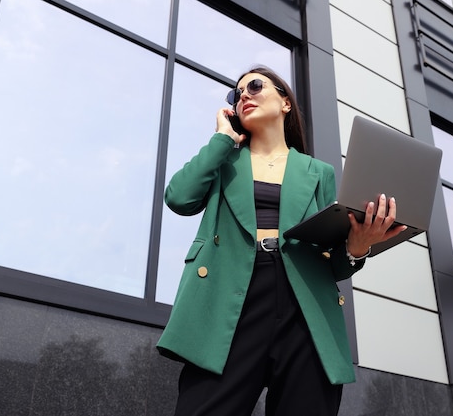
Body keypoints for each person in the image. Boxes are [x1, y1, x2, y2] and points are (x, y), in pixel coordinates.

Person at [156, 65, 407, 416]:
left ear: (285, 102)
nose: (244, 95)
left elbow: (331, 263)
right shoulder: (224, 159)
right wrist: (223, 138)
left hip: (304, 302)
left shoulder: (318, 172)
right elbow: (179, 198)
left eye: (255, 86)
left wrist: (358, 245)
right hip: (232, 296)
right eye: (236, 93)